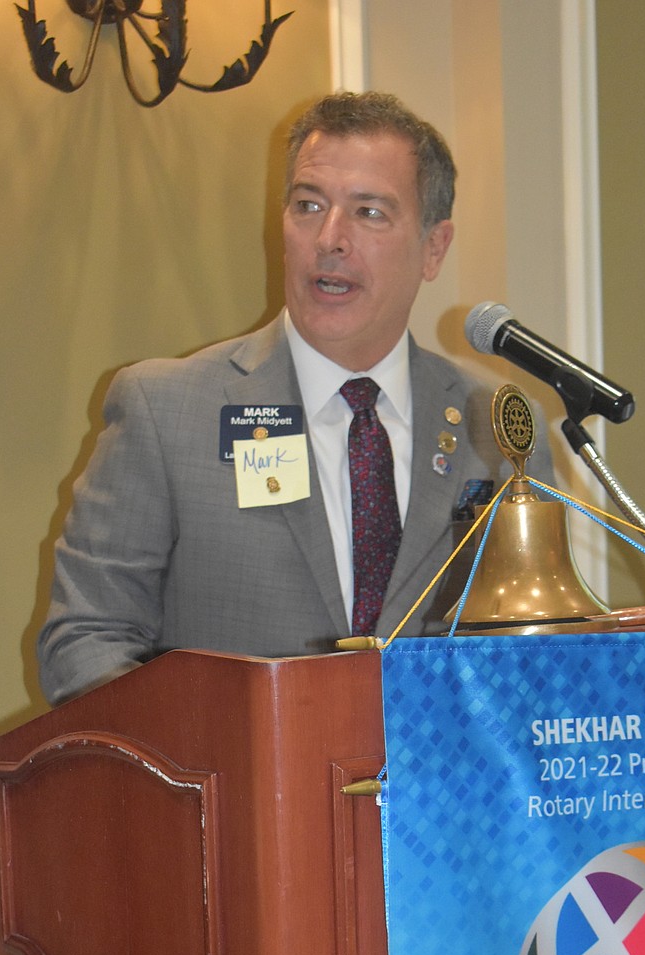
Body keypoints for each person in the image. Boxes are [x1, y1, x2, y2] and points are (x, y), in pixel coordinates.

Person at [37, 91, 554, 705]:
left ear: (434, 246)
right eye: (309, 205)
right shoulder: (164, 409)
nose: (329, 238)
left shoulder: (494, 426)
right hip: (233, 794)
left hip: (437, 795)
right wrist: (209, 768)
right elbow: (85, 641)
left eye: (368, 213)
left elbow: (536, 647)